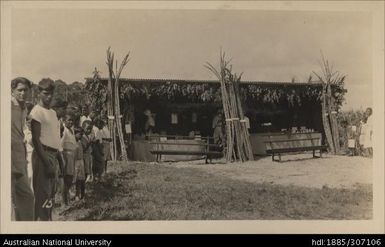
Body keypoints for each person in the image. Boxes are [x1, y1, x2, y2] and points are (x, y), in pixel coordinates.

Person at [30, 78, 61, 221]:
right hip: (43, 155)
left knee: (50, 193)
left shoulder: (53, 113)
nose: (49, 97)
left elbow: (55, 138)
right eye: (45, 93)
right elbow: (36, 140)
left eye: (51, 94)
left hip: (53, 155)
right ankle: (41, 224)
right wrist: (47, 163)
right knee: (42, 194)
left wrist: (60, 159)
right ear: (39, 93)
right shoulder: (37, 111)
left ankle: (47, 220)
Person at [11, 77, 34, 221]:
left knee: (27, 197)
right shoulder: (7, 106)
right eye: (20, 90)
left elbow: (25, 131)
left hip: (20, 153)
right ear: (12, 90)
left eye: (26, 90)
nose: (23, 93)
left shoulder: (24, 107)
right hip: (8, 153)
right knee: (10, 201)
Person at [60, 112, 77, 205]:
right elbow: (61, 145)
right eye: (69, 120)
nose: (71, 122)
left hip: (72, 155)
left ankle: (67, 198)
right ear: (64, 120)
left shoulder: (71, 130)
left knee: (70, 178)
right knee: (66, 178)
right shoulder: (64, 131)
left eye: (72, 120)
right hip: (66, 155)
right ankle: (64, 201)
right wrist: (63, 158)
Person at [74, 126, 86, 200]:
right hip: (75, 162)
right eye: (79, 134)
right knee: (76, 179)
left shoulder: (80, 142)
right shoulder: (73, 142)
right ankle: (76, 194)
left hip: (81, 161)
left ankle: (82, 194)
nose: (81, 136)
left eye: (82, 134)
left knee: (81, 179)